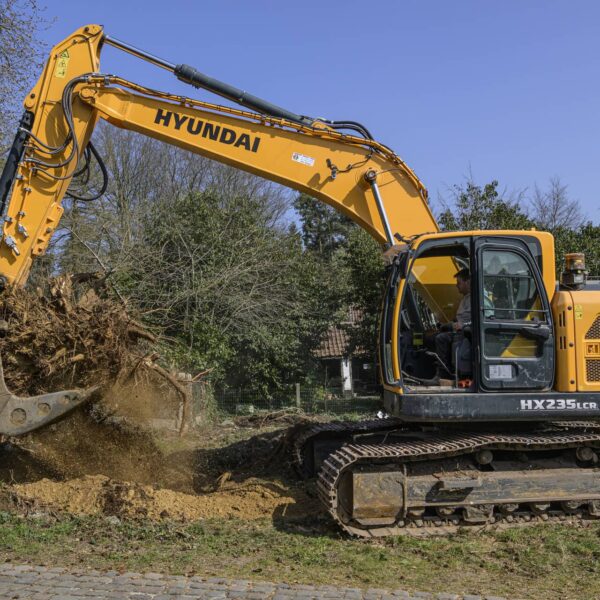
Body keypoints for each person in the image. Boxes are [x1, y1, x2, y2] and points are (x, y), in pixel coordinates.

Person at [428, 268, 471, 383]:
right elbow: (461, 317)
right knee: (432, 337)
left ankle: (443, 375)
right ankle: (437, 371)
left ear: (468, 282)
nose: (457, 286)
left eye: (459, 283)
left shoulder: (477, 298)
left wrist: (459, 325)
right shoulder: (466, 298)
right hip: (461, 331)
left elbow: (481, 317)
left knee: (441, 338)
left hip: (466, 333)